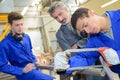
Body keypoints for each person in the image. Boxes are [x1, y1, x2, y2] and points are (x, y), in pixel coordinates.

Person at [55, 7, 120, 78]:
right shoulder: (94, 39)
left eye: (85, 25)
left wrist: (118, 55)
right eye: (84, 30)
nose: (88, 31)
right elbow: (85, 57)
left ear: (91, 13)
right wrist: (65, 64)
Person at [48, 2, 107, 80]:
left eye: (60, 14)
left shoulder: (83, 19)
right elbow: (70, 52)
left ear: (66, 9)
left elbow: (95, 37)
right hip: (78, 65)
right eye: (56, 18)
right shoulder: (60, 34)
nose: (60, 19)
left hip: (97, 61)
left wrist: (78, 45)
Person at [0, 12, 54, 80]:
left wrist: (35, 60)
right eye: (17, 25)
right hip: (23, 75)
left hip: (35, 69)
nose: (20, 28)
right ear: (10, 26)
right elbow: (2, 66)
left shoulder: (26, 37)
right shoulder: (4, 44)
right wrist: (22, 70)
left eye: (22, 24)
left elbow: (30, 52)